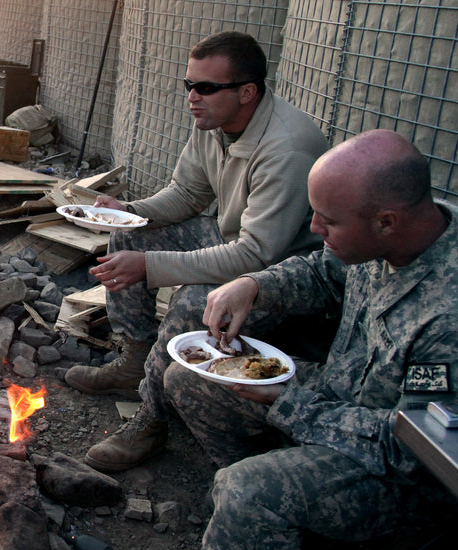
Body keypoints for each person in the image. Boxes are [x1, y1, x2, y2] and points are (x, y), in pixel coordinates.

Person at [162, 129, 458, 550]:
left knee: (247, 490)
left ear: (385, 221)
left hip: (404, 475)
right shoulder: (398, 229)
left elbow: (415, 453)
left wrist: (286, 403)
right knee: (191, 380)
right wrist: (257, 284)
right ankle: (265, 533)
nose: (313, 229)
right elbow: (325, 271)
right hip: (344, 400)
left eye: (326, 221)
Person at [71, 32, 329, 473]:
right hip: (237, 243)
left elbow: (257, 254)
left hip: (282, 275)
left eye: (206, 87)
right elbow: (188, 193)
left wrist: (153, 268)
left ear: (247, 92)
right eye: (188, 85)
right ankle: (134, 361)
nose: (192, 97)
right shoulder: (215, 123)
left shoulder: (286, 147)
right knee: (130, 237)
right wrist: (130, 212)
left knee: (193, 303)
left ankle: (152, 419)